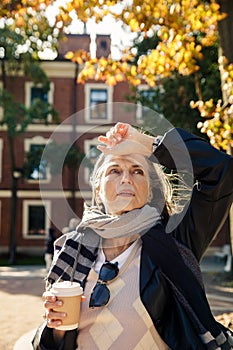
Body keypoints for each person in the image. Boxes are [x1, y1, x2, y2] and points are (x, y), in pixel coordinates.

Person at [33, 122, 233, 349]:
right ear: (97, 188)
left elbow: (222, 171)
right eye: (115, 170)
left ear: (150, 190)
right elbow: (52, 342)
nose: (126, 178)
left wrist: (146, 143)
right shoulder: (71, 249)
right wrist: (57, 329)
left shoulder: (175, 240)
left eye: (137, 171)